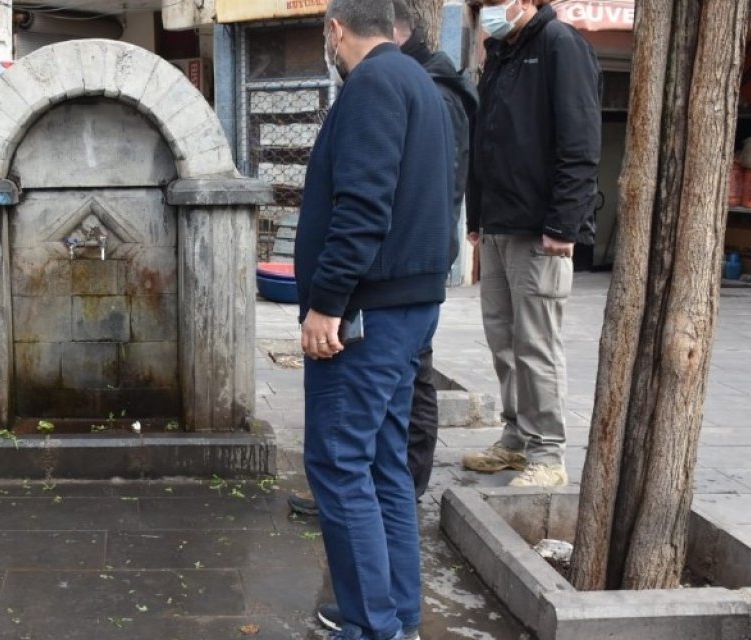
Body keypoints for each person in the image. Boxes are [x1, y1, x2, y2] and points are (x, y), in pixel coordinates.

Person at [295, 0, 455, 637]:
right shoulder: (418, 79)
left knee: (338, 462)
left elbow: (362, 209)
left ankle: (374, 627)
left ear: (336, 29)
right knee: (383, 462)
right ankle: (396, 617)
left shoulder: (372, 86)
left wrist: (326, 303)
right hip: (409, 306)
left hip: (367, 313)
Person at [461, 0, 601, 488]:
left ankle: (548, 454)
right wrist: (477, 216)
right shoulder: (501, 52)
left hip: (540, 230)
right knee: (503, 339)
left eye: (493, 2)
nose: (487, 11)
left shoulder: (560, 45)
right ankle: (516, 438)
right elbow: (486, 139)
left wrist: (563, 227)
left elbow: (580, 144)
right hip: (500, 223)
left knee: (536, 344)